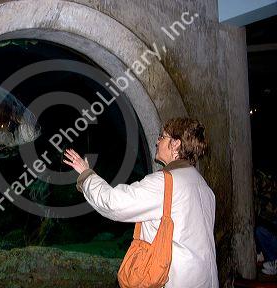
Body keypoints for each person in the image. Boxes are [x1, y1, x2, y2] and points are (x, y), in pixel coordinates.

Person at [63, 117, 218, 288]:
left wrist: (86, 175)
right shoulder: (203, 187)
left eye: (162, 137)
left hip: (175, 281)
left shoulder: (165, 183)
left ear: (175, 144)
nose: (157, 142)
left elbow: (114, 203)